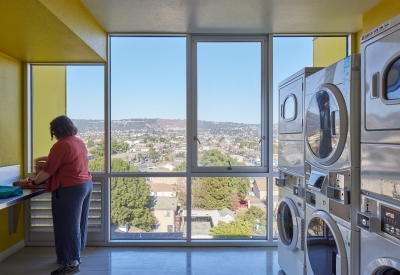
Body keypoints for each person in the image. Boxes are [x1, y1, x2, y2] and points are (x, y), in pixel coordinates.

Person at [32, 115, 92, 275]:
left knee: (66, 225)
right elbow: (65, 161)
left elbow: (47, 171)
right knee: (77, 223)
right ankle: (73, 257)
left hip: (70, 188)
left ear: (56, 130)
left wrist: (33, 182)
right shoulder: (78, 142)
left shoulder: (61, 145)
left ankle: (71, 263)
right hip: (85, 185)